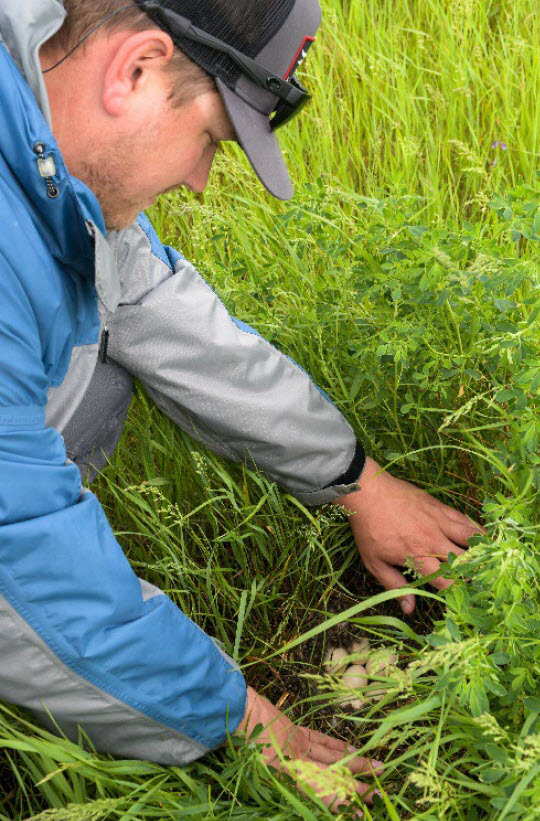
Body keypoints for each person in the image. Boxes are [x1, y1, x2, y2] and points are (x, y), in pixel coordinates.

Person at [0, 0, 483, 812]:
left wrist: (354, 476)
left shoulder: (42, 144)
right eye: (210, 140)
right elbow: (19, 556)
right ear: (137, 70)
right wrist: (240, 718)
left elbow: (158, 308)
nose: (198, 179)